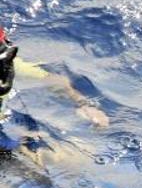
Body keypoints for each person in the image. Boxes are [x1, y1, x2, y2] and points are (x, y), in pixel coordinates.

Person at [0, 26, 108, 155]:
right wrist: (20, 140)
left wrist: (84, 104)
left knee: (85, 151)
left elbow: (55, 81)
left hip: (5, 120)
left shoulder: (8, 64)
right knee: (65, 158)